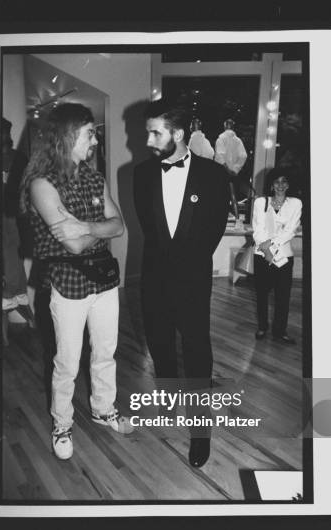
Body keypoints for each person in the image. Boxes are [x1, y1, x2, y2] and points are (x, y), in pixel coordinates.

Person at [21, 103, 133, 461]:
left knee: (105, 352)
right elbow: (70, 244)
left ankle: (103, 408)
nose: (96, 141)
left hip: (104, 280)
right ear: (67, 135)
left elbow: (120, 226)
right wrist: (96, 230)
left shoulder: (95, 178)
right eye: (90, 133)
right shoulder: (42, 184)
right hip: (67, 282)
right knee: (67, 362)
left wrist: (85, 226)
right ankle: (62, 423)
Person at [133, 98, 230, 467]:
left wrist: (188, 265)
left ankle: (201, 432)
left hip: (192, 279)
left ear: (177, 133)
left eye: (155, 133)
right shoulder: (141, 174)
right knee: (159, 346)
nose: (148, 141)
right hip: (154, 278)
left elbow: (215, 228)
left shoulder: (214, 174)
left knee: (196, 352)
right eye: (148, 133)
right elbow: (149, 228)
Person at [252, 168, 302, 344]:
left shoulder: (295, 203)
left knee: (283, 296)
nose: (280, 185)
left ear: (288, 184)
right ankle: (262, 327)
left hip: (284, 257)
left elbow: (290, 231)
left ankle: (280, 331)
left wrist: (270, 248)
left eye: (284, 181)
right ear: (271, 184)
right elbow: (258, 228)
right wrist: (265, 251)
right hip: (261, 255)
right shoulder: (260, 202)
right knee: (262, 294)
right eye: (277, 181)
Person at [1, 118, 34, 344]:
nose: (6, 135)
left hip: (14, 214)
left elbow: (27, 186)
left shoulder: (19, 157)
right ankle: (13, 296)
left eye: (7, 131)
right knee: (7, 256)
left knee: (14, 254)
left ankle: (12, 296)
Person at [214, 118, 248, 215]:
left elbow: (219, 156)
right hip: (233, 173)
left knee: (220, 196)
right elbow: (243, 156)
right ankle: (236, 217)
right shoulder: (238, 141)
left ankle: (220, 217)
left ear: (224, 126)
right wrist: (235, 169)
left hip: (222, 172)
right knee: (233, 196)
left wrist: (227, 169)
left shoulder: (220, 139)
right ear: (233, 127)